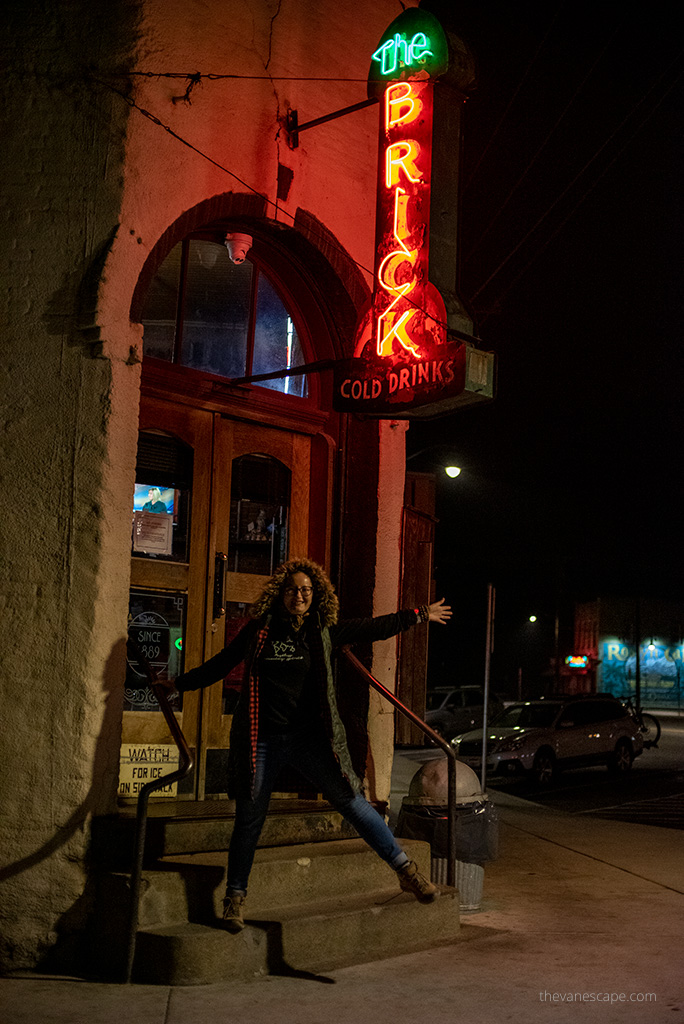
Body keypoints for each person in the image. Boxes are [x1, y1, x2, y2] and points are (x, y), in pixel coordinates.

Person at [169, 557, 452, 932]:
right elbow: (221, 664)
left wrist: (418, 614)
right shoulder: (259, 631)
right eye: (292, 589)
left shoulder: (324, 631)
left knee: (353, 801)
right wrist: (177, 684)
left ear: (315, 595)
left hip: (310, 741)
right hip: (263, 739)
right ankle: (234, 899)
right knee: (249, 819)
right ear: (280, 594)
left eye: (306, 590)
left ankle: (406, 871)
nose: (299, 595)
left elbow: (373, 627)